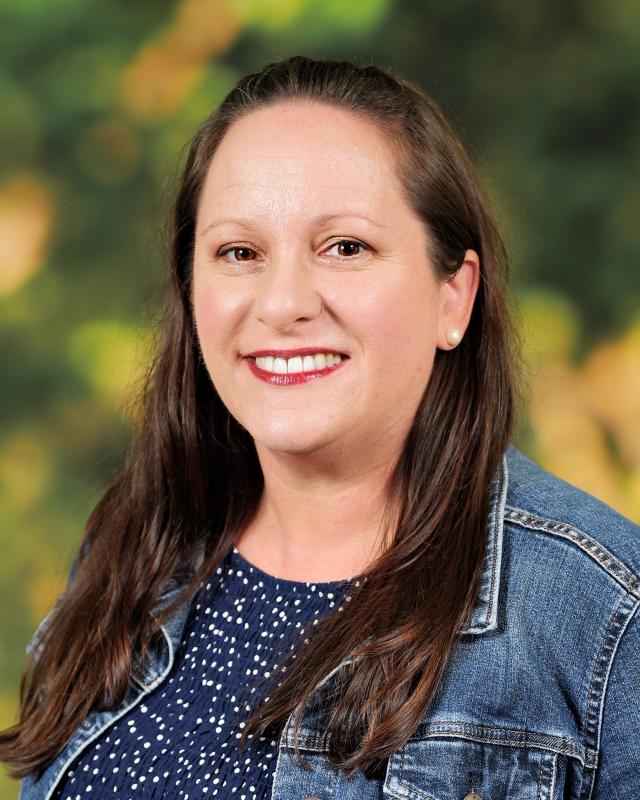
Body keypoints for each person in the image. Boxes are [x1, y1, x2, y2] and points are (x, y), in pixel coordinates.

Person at [1, 55, 638, 800]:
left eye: (345, 248)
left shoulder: (604, 615)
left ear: (452, 297)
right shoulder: (132, 558)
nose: (282, 303)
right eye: (240, 253)